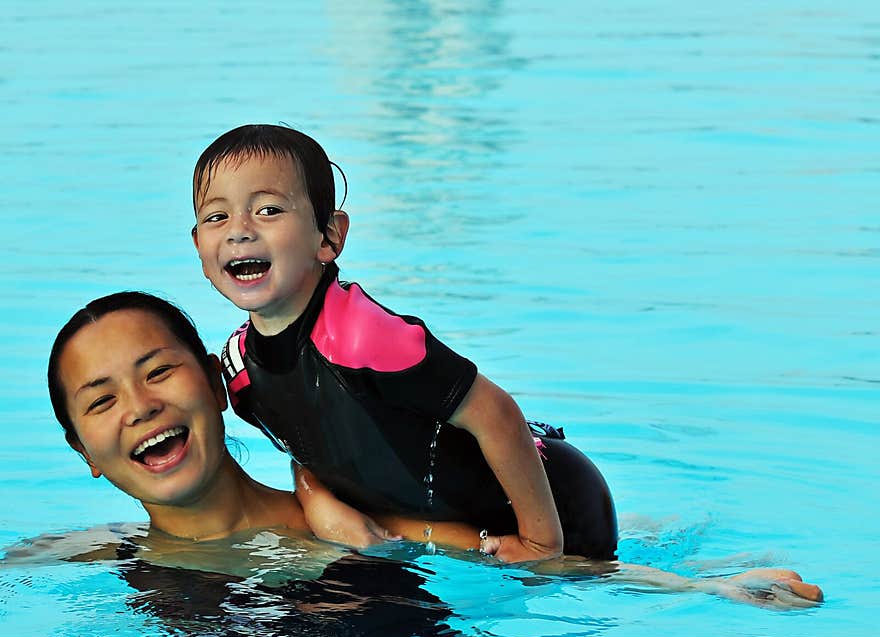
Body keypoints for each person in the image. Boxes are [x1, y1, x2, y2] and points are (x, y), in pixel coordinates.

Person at [43, 291, 822, 608]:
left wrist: (702, 595)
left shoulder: (345, 522)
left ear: (217, 386)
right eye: (102, 400)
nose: (140, 408)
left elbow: (541, 567)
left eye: (158, 373)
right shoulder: (97, 552)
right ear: (82, 450)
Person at [190, 123, 616, 563]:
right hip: (462, 525)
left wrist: (542, 545)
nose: (239, 231)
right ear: (199, 246)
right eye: (217, 217)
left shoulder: (362, 336)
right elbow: (307, 440)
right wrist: (314, 495)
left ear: (330, 237)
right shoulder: (242, 371)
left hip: (558, 505)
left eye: (269, 210)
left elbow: (496, 412)